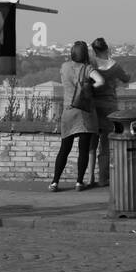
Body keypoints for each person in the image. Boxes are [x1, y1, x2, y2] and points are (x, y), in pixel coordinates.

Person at [50, 41, 106, 192]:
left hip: (69, 110)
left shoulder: (64, 67)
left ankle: (55, 182)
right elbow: (101, 81)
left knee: (64, 149)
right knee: (83, 149)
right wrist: (89, 88)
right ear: (85, 54)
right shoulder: (88, 68)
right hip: (85, 111)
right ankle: (79, 182)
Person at [87, 38, 131, 187]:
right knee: (105, 145)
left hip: (93, 106)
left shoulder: (91, 65)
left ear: (94, 51)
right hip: (110, 107)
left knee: (92, 144)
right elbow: (126, 79)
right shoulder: (115, 66)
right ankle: (103, 178)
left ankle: (90, 177)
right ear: (107, 49)